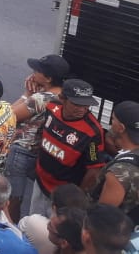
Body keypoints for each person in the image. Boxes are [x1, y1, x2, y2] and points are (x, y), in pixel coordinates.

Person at [7, 54, 70, 223]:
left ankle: (11, 227)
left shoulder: (40, 98)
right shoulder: (65, 98)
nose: (33, 73)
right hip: (42, 153)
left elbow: (9, 117)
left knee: (14, 197)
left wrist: (26, 94)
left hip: (21, 152)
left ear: (48, 78)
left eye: (37, 71)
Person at [30, 80, 106, 219]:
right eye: (76, 104)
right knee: (31, 222)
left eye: (86, 105)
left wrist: (75, 198)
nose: (82, 109)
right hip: (40, 182)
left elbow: (94, 170)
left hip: (62, 197)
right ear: (62, 99)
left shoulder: (92, 133)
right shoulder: (51, 107)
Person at [90, 100, 139, 224]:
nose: (111, 123)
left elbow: (102, 216)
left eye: (113, 119)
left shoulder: (119, 171)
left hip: (110, 231)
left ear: (121, 128)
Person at [19, 183, 91, 254]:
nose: (47, 227)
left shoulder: (34, 223)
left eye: (50, 226)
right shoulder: (91, 244)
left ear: (64, 243)